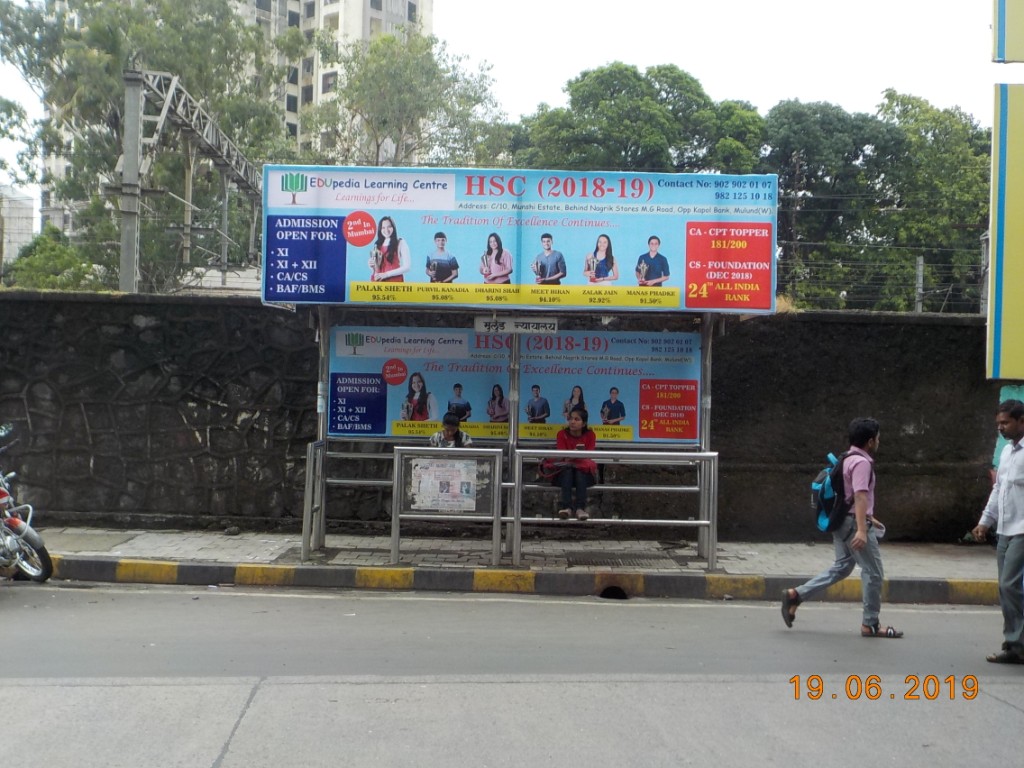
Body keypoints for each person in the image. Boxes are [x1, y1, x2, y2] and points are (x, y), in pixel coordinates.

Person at [781, 418, 903, 638]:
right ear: (870, 441)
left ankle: (795, 595)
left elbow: (848, 495)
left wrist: (869, 516)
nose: (879, 441)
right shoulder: (862, 463)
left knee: (842, 567)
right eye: (877, 438)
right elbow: (859, 495)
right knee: (874, 573)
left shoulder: (846, 458)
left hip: (841, 521)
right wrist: (862, 530)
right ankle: (870, 624)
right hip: (853, 524)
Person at [970, 399, 1024, 664]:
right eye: (998, 424)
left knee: (1009, 584)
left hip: (1023, 529)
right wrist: (985, 521)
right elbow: (999, 489)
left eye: (1006, 423)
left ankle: (1017, 642)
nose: (1001, 428)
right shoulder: (1006, 452)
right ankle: (1015, 646)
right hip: (1005, 528)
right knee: (1005, 588)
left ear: (1022, 421)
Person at [551, 407, 598, 520]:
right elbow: (562, 456)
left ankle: (580, 509)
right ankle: (567, 508)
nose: (572, 422)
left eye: (577, 419)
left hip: (583, 474)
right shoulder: (562, 434)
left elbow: (588, 456)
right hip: (564, 474)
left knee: (579, 471)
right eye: (571, 418)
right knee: (568, 470)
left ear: (584, 423)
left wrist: (572, 456)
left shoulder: (590, 435)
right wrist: (576, 454)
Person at [368, 216, 411, 282]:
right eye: (383, 227)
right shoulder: (377, 244)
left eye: (389, 226)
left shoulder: (400, 242)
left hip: (394, 281)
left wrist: (386, 274)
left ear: (393, 227)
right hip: (378, 281)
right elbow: (377, 269)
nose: (386, 230)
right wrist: (371, 265)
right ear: (380, 229)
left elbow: (407, 267)